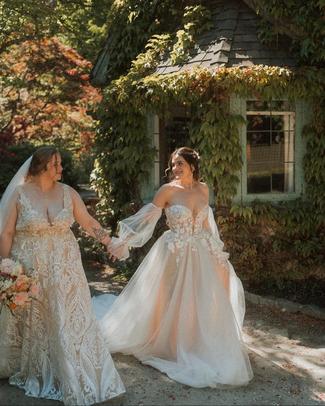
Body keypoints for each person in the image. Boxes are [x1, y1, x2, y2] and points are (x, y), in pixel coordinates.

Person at [94, 146, 253, 388]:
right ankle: (170, 342)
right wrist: (122, 242)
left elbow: (207, 223)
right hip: (174, 251)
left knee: (200, 297)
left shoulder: (203, 188)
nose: (175, 168)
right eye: (173, 163)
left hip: (201, 250)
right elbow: (147, 219)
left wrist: (217, 252)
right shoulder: (167, 191)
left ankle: (195, 341)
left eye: (180, 163)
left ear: (192, 165)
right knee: (171, 297)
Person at [0, 146, 125, 405]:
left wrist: (109, 242)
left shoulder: (68, 193)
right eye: (56, 164)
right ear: (42, 166)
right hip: (31, 269)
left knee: (69, 317)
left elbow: (88, 222)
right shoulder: (19, 195)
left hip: (66, 269)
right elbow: (7, 234)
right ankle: (40, 367)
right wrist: (6, 268)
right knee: (37, 319)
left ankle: (77, 370)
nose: (61, 168)